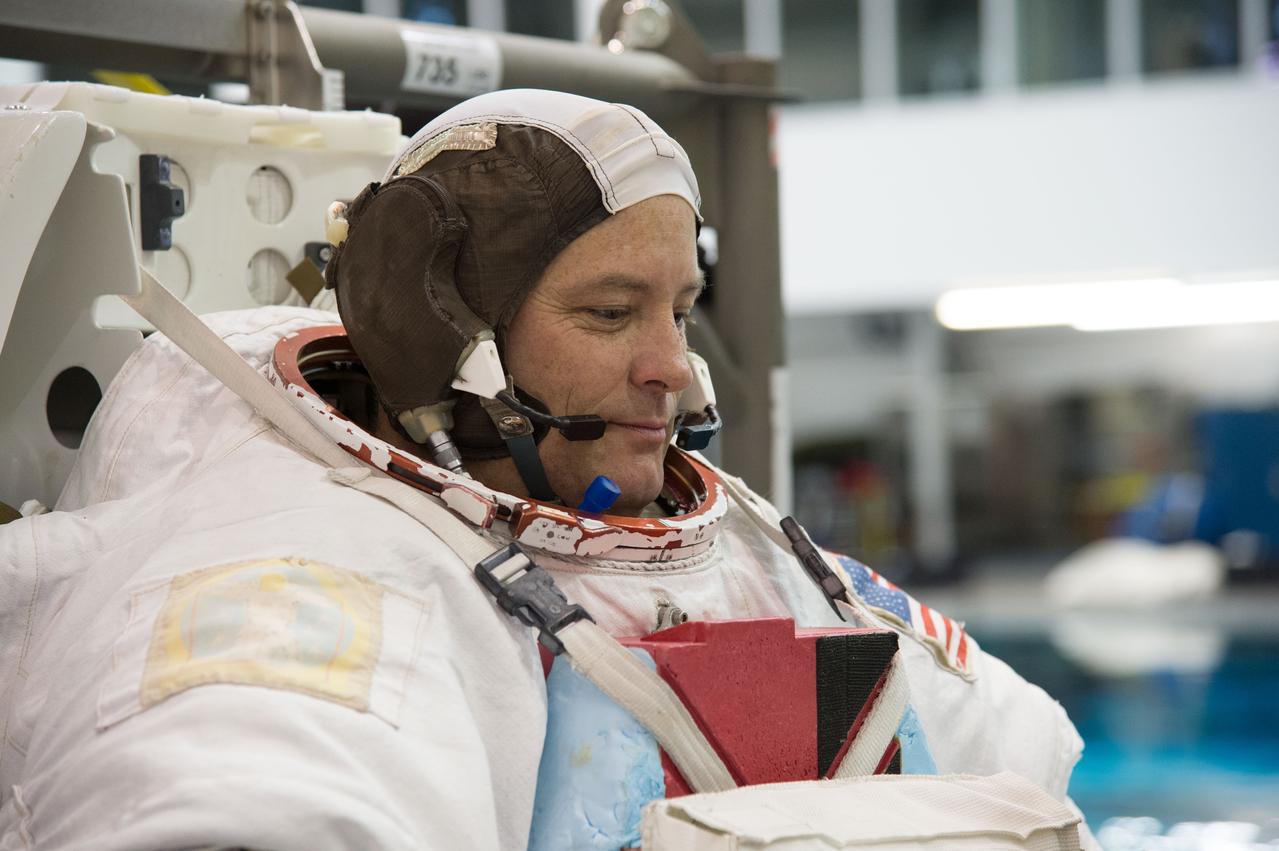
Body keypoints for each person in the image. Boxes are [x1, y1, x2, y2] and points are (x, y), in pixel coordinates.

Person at [0, 89, 1092, 849]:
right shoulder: (296, 565)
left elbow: (1026, 771)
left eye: (679, 310)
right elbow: (266, 799)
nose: (674, 369)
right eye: (611, 313)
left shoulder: (754, 551)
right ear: (438, 328)